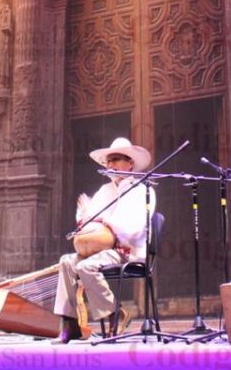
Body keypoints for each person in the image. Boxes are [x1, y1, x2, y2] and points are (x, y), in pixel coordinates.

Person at [53, 137, 155, 343]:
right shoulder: (104, 191)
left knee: (87, 267)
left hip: (127, 251)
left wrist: (104, 220)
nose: (110, 165)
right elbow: (90, 223)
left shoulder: (143, 190)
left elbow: (132, 230)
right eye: (109, 161)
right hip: (103, 250)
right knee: (66, 261)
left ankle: (114, 314)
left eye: (116, 159)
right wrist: (82, 216)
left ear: (130, 163)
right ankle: (69, 324)